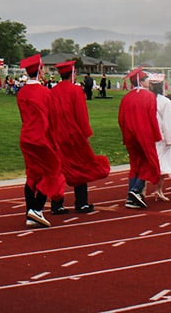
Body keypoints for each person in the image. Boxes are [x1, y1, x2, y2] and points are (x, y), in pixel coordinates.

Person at [48, 60, 110, 214]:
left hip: (57, 135)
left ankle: (57, 204)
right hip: (74, 136)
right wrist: (86, 133)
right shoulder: (76, 91)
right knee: (81, 166)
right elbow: (81, 116)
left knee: (59, 170)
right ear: (72, 74)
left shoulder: (52, 92)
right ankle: (81, 203)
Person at [15, 55, 65, 227]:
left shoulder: (21, 93)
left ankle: (31, 213)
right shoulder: (46, 93)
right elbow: (54, 118)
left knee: (32, 175)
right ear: (40, 70)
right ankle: (36, 209)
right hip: (42, 138)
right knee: (52, 172)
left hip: (26, 136)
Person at [117, 67, 161, 209]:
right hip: (144, 134)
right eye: (146, 79)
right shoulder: (149, 97)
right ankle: (135, 190)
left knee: (135, 165)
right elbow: (152, 118)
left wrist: (125, 134)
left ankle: (131, 196)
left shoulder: (126, 98)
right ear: (140, 82)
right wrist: (156, 135)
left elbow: (121, 119)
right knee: (148, 163)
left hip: (130, 136)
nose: (148, 81)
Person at [146, 73, 171, 201]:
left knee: (152, 163)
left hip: (149, 135)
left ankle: (149, 190)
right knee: (162, 164)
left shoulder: (148, 99)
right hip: (161, 136)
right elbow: (169, 121)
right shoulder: (165, 102)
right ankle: (158, 189)